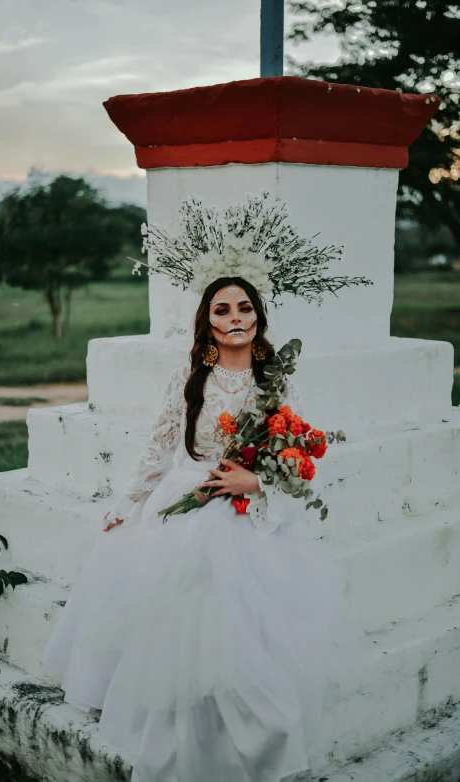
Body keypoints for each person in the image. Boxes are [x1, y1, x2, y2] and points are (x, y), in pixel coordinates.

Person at [40, 275, 367, 782]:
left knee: (241, 627)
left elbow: (296, 455)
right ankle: (181, 728)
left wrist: (254, 481)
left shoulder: (276, 382)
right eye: (221, 310)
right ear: (207, 322)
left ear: (258, 317)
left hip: (245, 512)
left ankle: (256, 741)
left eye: (243, 308)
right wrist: (129, 501)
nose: (234, 318)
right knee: (183, 618)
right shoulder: (190, 378)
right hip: (188, 499)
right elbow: (159, 443)